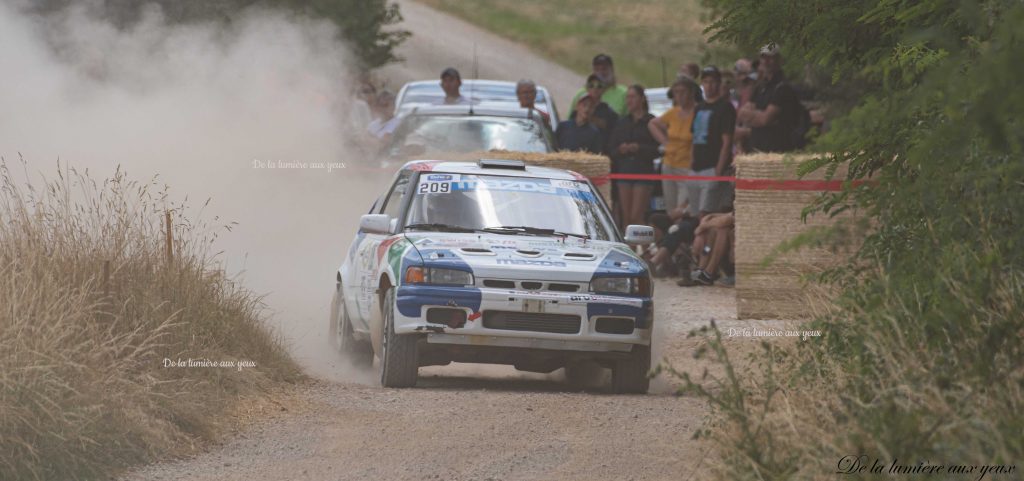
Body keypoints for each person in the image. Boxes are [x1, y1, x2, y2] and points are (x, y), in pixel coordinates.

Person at [607, 85, 660, 230]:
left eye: (632, 97)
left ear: (642, 99)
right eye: (627, 97)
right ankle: (631, 248)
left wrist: (639, 148)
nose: (629, 101)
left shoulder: (651, 122)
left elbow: (658, 149)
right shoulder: (622, 123)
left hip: (643, 172)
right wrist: (621, 149)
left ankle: (647, 249)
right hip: (625, 171)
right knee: (626, 217)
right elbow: (611, 149)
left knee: (637, 216)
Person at [687, 66, 736, 217]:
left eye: (713, 82)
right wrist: (691, 164)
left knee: (707, 213)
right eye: (706, 82)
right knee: (694, 214)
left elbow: (726, 142)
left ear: (719, 83)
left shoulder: (725, 108)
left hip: (713, 166)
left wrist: (718, 171)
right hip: (696, 168)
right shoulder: (698, 108)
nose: (709, 86)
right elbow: (694, 139)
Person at [737, 43, 804, 152]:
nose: (766, 61)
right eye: (763, 57)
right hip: (757, 150)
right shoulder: (760, 87)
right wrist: (760, 116)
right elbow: (742, 113)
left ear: (779, 60)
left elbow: (765, 119)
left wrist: (755, 116)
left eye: (770, 58)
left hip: (777, 152)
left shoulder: (783, 87)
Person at [649, 76, 699, 214]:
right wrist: (665, 142)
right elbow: (653, 123)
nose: (679, 96)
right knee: (670, 207)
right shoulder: (673, 112)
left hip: (687, 166)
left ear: (691, 92)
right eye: (676, 92)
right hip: (669, 163)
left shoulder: (698, 112)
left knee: (682, 208)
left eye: (683, 92)